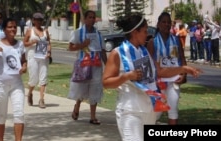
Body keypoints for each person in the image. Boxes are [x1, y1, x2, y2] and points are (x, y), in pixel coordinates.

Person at [103, 13, 201, 141]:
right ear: (134, 32)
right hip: (130, 112)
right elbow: (105, 82)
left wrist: (183, 69)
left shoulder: (144, 51)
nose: (147, 34)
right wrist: (126, 76)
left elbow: (159, 71)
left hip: (149, 111)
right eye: (144, 31)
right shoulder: (117, 53)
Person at [0, 18, 27, 141]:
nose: (13, 29)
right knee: (1, 116)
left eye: (14, 27)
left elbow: (24, 61)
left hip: (16, 84)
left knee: (19, 114)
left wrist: (24, 67)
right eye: (9, 27)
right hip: (0, 85)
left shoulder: (20, 44)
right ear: (4, 29)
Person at [146, 12, 190, 125]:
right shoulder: (152, 42)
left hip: (173, 81)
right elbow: (149, 65)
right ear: (158, 24)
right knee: (156, 113)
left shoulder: (176, 40)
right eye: (163, 22)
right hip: (158, 83)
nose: (166, 24)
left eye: (168, 22)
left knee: (173, 109)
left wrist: (184, 74)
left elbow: (182, 59)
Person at [68, 10, 107, 125]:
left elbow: (103, 51)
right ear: (85, 19)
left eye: (93, 17)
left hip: (96, 66)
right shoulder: (78, 33)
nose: (92, 19)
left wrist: (107, 65)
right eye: (89, 17)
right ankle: (77, 107)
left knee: (95, 89)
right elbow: (70, 47)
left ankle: (93, 116)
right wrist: (82, 45)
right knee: (81, 89)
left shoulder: (99, 35)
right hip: (83, 66)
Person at [23, 12, 51, 108]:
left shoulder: (45, 31)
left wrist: (49, 52)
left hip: (43, 57)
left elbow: (49, 43)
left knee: (43, 78)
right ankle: (30, 93)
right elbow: (24, 43)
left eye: (40, 20)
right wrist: (31, 42)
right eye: (36, 20)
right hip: (33, 56)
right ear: (33, 20)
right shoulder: (29, 31)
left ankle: (41, 99)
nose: (38, 22)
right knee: (33, 79)